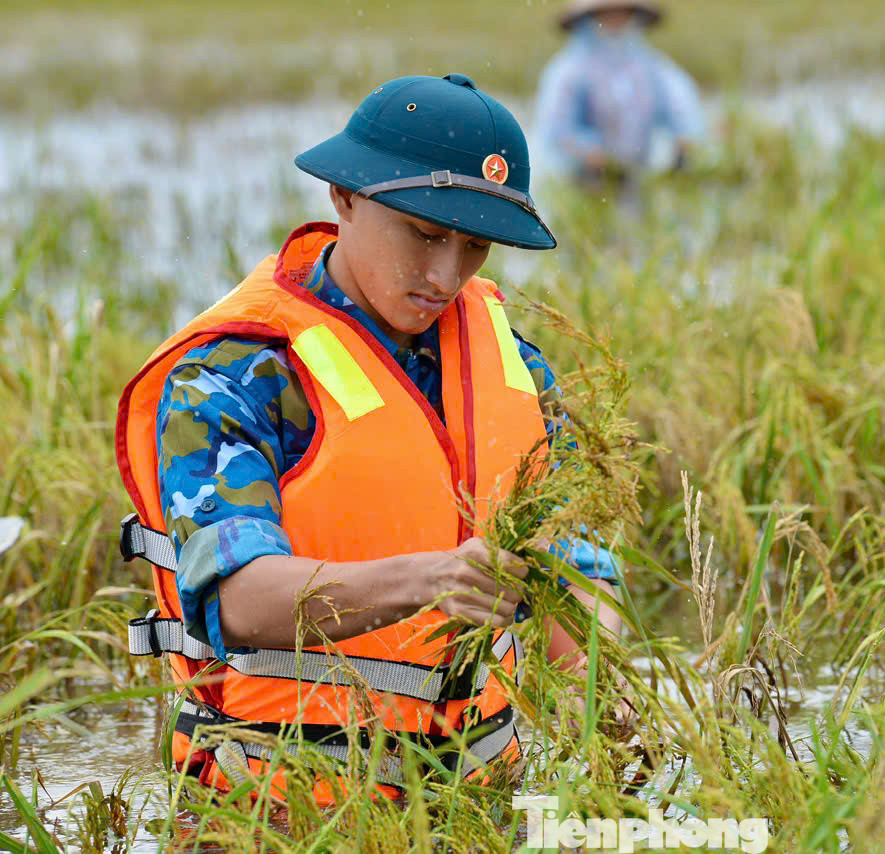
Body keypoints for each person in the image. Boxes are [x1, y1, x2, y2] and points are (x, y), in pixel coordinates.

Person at [115, 73, 621, 802]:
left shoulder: (516, 365)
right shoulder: (239, 373)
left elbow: (576, 571)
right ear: (344, 198)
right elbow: (238, 601)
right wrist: (432, 578)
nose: (446, 274)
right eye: (424, 233)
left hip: (478, 805)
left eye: (475, 245)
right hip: (280, 812)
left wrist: (604, 696)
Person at [533, 0, 706, 183]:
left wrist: (685, 138)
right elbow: (555, 132)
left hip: (638, 176)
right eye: (606, 14)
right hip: (581, 181)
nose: (615, 20)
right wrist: (589, 152)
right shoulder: (567, 71)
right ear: (589, 18)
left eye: (622, 13)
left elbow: (682, 109)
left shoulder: (649, 64)